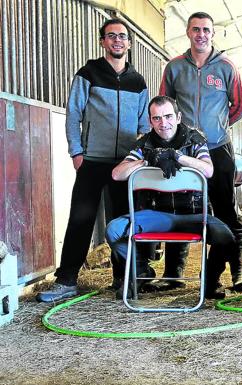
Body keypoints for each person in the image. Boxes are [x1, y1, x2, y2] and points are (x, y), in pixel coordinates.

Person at [37, 19, 150, 303]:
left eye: (122, 36)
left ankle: (123, 279)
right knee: (80, 219)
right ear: (102, 41)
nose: (117, 41)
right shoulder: (88, 73)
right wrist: (76, 152)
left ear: (129, 43)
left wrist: (138, 157)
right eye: (111, 36)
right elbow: (73, 114)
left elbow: (144, 125)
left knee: (123, 221)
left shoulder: (138, 82)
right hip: (92, 160)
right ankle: (66, 281)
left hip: (124, 166)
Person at [105, 96, 234, 299]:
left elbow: (208, 170)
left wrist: (177, 156)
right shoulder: (145, 144)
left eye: (168, 116)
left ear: (179, 117)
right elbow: (117, 174)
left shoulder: (195, 139)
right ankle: (140, 271)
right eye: (156, 118)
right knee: (113, 230)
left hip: (193, 214)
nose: (163, 123)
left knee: (226, 237)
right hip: (157, 214)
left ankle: (209, 280)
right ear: (150, 121)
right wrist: (147, 159)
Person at [159, 12, 242, 293]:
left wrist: (218, 126)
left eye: (207, 30)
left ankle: (233, 273)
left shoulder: (226, 67)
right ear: (188, 32)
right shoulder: (174, 68)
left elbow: (240, 106)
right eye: (196, 29)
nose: (201, 34)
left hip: (218, 148)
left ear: (213, 34)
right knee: (180, 208)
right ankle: (173, 273)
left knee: (225, 211)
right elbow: (165, 105)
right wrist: (182, 136)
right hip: (184, 151)